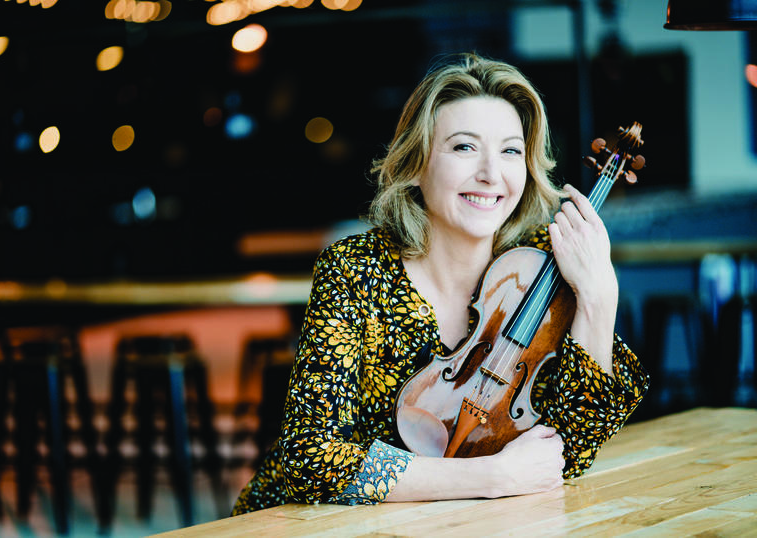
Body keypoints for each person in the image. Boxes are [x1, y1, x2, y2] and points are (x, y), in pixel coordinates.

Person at [232, 52, 649, 514]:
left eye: (510, 150)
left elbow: (568, 455)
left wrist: (598, 295)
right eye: (464, 147)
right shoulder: (355, 269)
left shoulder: (540, 264)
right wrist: (488, 477)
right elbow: (311, 461)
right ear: (417, 163)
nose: (492, 174)